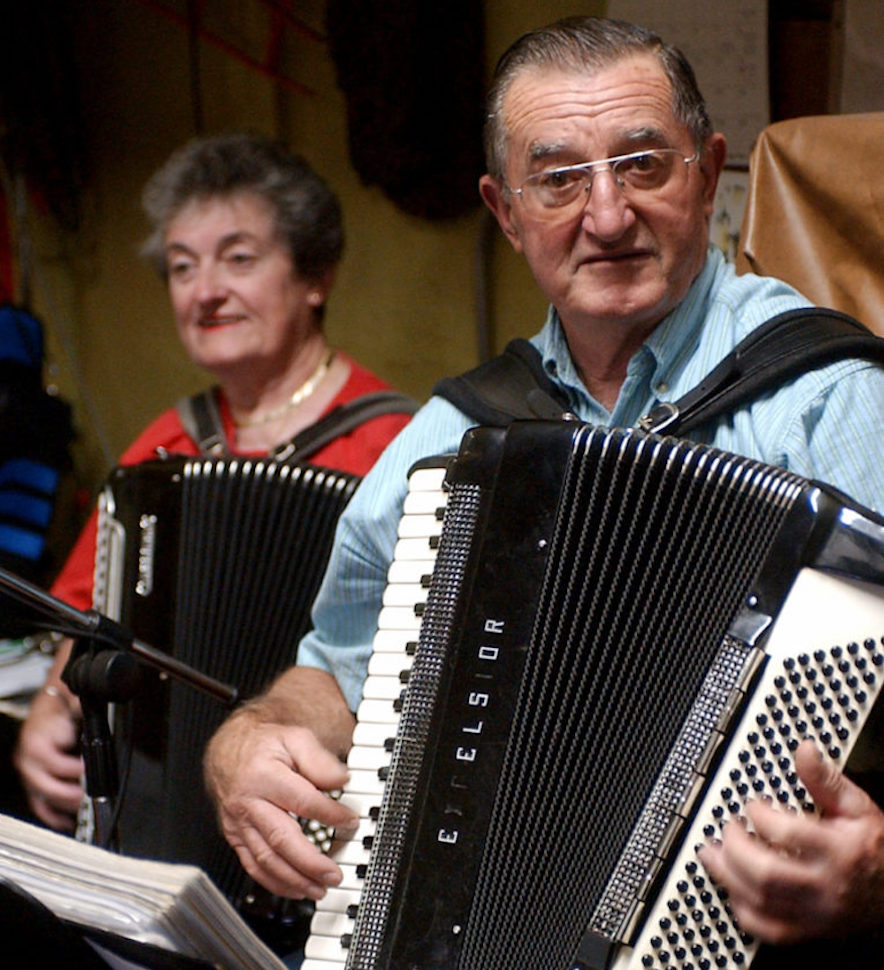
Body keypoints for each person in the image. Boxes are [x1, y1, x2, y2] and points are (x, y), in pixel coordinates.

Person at [203, 16, 884, 963]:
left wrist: (878, 867)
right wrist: (253, 737)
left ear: (707, 169)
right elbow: (337, 666)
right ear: (505, 209)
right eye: (560, 179)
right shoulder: (458, 438)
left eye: (643, 164)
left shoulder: (830, 402)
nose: (606, 217)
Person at [14, 130, 414, 833]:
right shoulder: (164, 445)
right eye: (180, 266)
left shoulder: (396, 446)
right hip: (169, 804)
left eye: (238, 258)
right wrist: (52, 705)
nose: (206, 292)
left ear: (314, 275)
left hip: (330, 804)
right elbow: (83, 611)